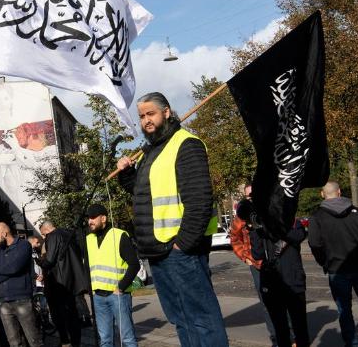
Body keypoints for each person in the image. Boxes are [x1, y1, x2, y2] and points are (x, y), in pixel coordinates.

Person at [116, 92, 228, 347]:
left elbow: (199, 200)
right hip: (158, 252)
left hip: (180, 251)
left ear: (166, 112)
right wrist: (127, 175)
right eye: (142, 116)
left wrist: (182, 244)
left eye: (150, 114)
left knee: (202, 319)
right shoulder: (150, 152)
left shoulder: (185, 144)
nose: (146, 120)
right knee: (181, 319)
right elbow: (145, 193)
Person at [308, 181, 358, 347]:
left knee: (344, 310)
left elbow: (315, 244)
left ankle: (352, 343)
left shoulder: (317, 217)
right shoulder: (357, 212)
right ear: (339, 192)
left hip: (337, 269)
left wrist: (324, 261)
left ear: (322, 194)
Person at [241, 200, 309, 347]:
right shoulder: (260, 227)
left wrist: (275, 227)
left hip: (292, 280)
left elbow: (299, 235)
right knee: (281, 330)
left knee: (299, 328)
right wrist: (255, 230)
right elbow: (258, 254)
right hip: (275, 283)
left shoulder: (289, 221)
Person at [85, 203, 140, 347]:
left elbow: (134, 264)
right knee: (105, 341)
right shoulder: (88, 239)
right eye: (88, 218)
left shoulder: (119, 235)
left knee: (127, 339)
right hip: (98, 297)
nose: (89, 221)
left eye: (93, 218)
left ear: (103, 218)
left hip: (118, 295)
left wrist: (121, 287)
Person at [229, 185, 278, 346]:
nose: (250, 197)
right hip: (257, 265)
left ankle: (291, 337)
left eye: (253, 194)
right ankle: (275, 338)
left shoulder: (271, 209)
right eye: (248, 195)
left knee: (284, 300)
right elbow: (234, 238)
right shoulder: (241, 216)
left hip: (276, 262)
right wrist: (245, 257)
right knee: (266, 303)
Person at [37, 220, 90, 347]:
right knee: (72, 315)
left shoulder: (53, 236)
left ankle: (67, 342)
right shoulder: (69, 233)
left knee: (63, 316)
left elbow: (49, 260)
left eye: (43, 235)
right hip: (73, 280)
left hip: (60, 282)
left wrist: (39, 261)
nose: (44, 238)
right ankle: (75, 343)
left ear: (47, 230)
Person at [0, 222, 42, 347]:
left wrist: (1, 269)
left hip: (22, 299)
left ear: (4, 233)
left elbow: (14, 267)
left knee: (34, 340)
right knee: (14, 342)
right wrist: (7, 269)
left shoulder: (24, 246)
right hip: (4, 302)